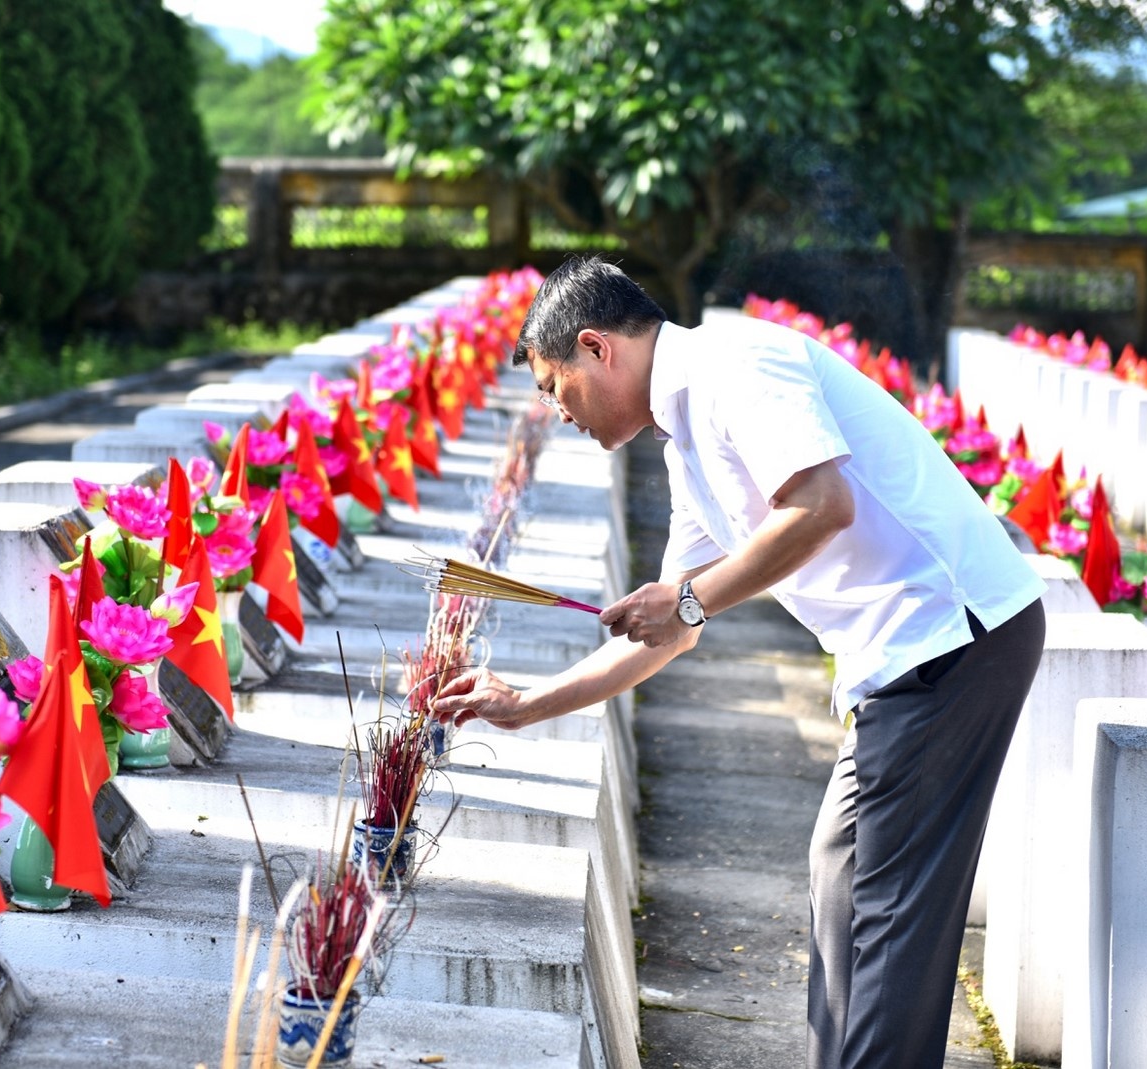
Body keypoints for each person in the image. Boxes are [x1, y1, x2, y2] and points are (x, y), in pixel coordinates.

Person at [430, 255, 1047, 1069]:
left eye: (553, 386)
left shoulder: (733, 364)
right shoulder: (683, 440)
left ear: (596, 347)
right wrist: (525, 702)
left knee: (890, 917)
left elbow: (822, 506)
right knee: (842, 876)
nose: (555, 410)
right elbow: (668, 631)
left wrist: (688, 600)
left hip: (952, 637)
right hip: (903, 656)